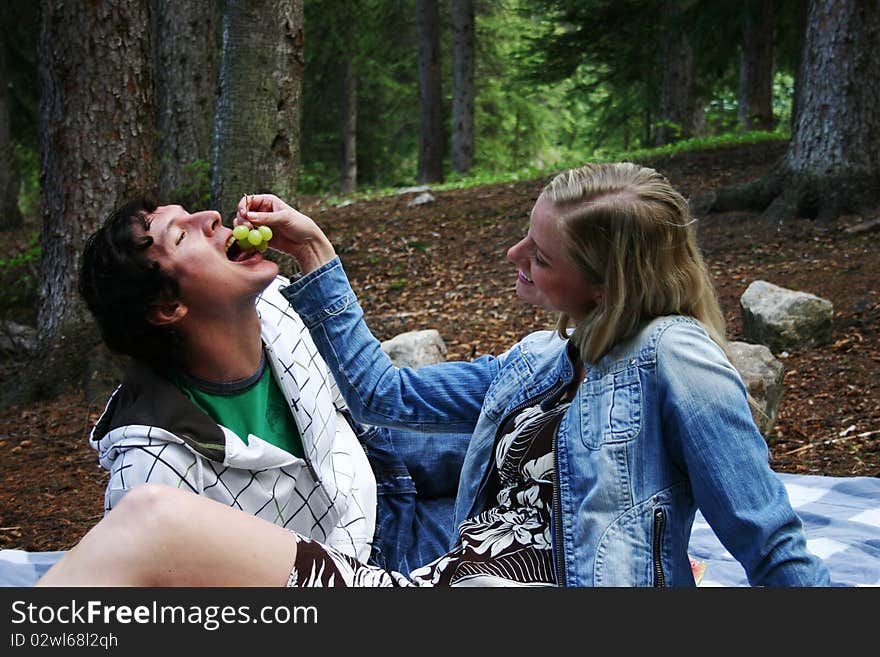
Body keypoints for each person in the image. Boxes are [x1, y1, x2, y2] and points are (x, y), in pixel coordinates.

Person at [39, 162, 831, 587]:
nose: (513, 260)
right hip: (432, 582)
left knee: (149, 519)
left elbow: (770, 540)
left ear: (603, 283)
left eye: (540, 256)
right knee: (147, 526)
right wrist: (316, 252)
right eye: (525, 237)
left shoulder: (674, 354)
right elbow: (389, 397)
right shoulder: (534, 362)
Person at [75, 198, 466, 573]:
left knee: (519, 439)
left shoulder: (277, 301)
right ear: (167, 307)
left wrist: (311, 247)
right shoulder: (151, 470)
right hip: (367, 558)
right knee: (512, 546)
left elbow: (364, 392)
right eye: (180, 235)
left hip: (374, 453)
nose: (211, 216)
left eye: (193, 214)